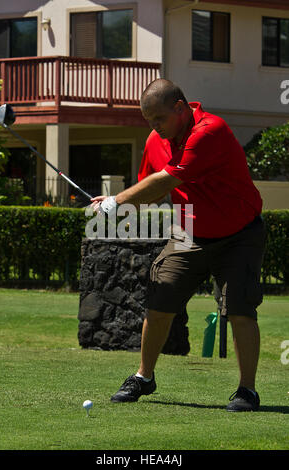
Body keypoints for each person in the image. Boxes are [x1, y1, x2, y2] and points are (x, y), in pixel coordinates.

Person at [90, 79, 267, 412]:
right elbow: (152, 190)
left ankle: (247, 390)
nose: (155, 127)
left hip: (239, 232)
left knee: (239, 309)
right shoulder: (156, 140)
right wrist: (117, 205)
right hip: (189, 228)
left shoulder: (210, 131)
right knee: (161, 295)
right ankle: (144, 377)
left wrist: (118, 200)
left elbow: (169, 179)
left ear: (180, 109)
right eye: (149, 121)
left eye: (159, 119)